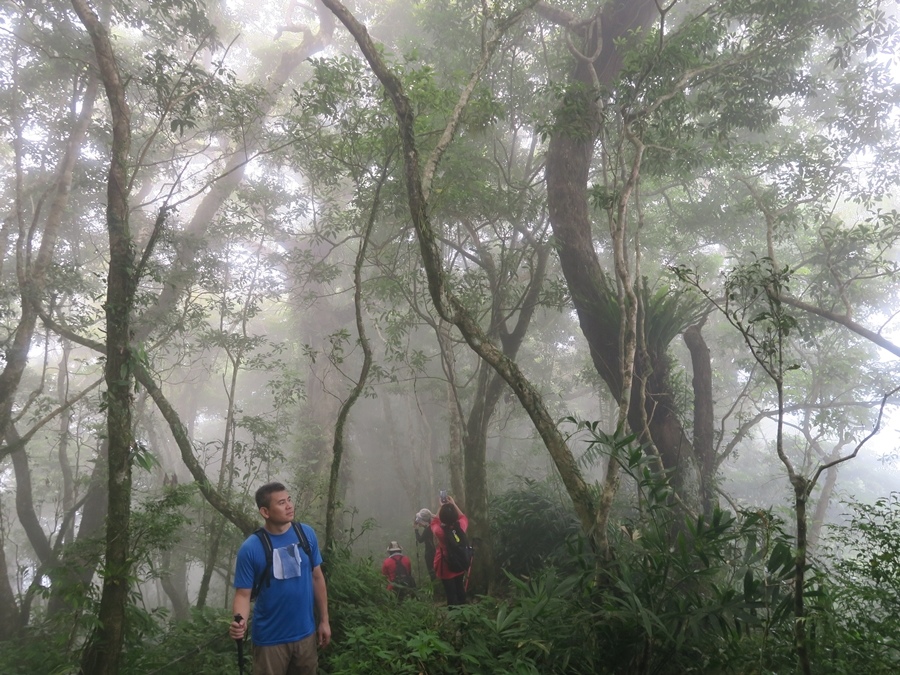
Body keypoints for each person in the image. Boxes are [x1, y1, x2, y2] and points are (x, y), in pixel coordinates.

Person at [229, 482, 331, 675]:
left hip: (305, 635)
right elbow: (243, 594)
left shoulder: (306, 534)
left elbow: (317, 578)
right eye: (282, 502)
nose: (289, 506)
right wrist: (239, 622)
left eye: (289, 500)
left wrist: (324, 620)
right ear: (265, 512)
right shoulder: (251, 548)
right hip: (270, 641)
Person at [430, 494, 468, 606]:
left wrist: (441, 507)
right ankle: (464, 611)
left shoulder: (440, 532)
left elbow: (434, 522)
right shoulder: (460, 527)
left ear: (442, 517)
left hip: (445, 565)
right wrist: (453, 504)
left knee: (450, 593)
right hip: (460, 562)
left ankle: (454, 614)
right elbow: (463, 517)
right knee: (460, 588)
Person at [414, 508, 436, 581]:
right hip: (435, 551)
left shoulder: (428, 530)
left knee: (432, 571)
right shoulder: (433, 526)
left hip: (430, 553)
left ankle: (435, 586)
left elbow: (420, 540)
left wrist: (416, 530)